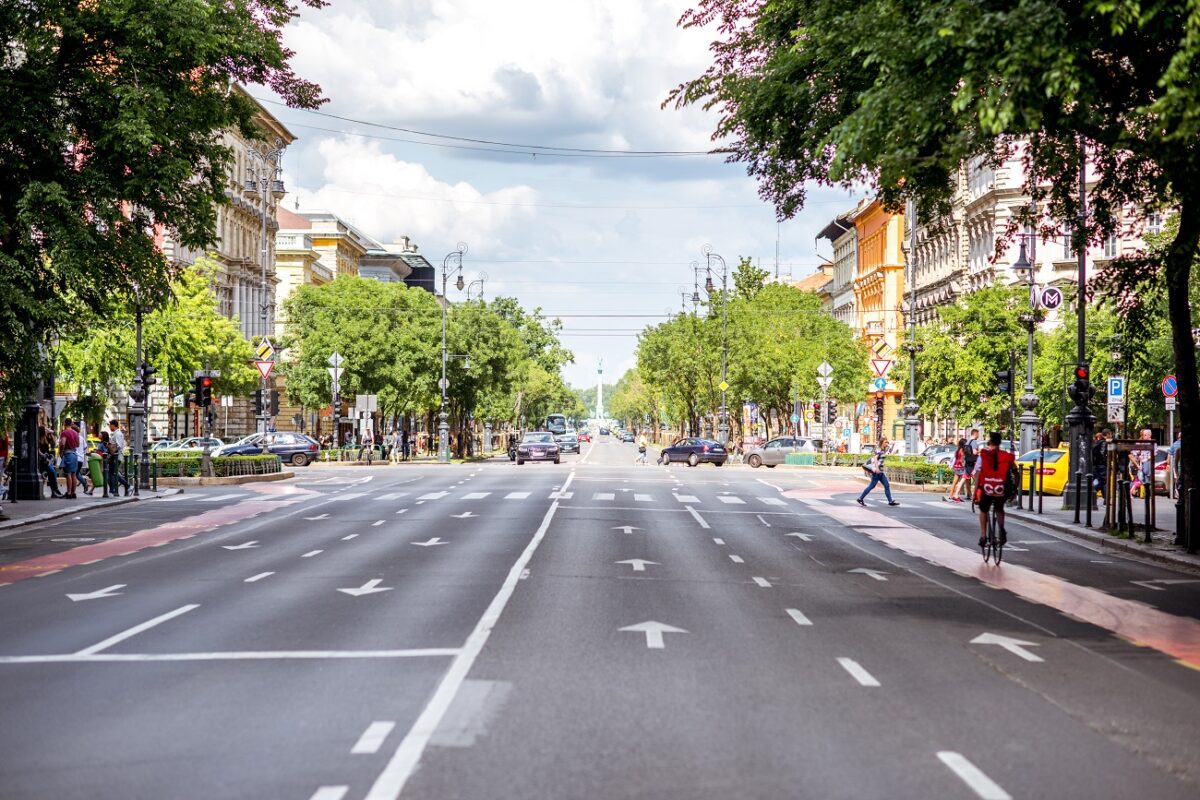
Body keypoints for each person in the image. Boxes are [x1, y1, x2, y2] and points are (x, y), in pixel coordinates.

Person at [972, 431, 1017, 546]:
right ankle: (1001, 529)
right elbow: (1016, 473)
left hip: (987, 488)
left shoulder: (984, 455)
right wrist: (1015, 489)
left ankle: (983, 535)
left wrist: (975, 492)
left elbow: (977, 474)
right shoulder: (1007, 456)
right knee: (999, 508)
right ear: (1000, 443)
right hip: (1001, 488)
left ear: (989, 442)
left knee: (983, 510)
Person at [856, 438, 900, 507]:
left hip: (880, 472)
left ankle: (890, 501)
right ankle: (860, 498)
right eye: (885, 442)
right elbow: (875, 459)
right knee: (872, 486)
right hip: (877, 472)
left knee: (886, 485)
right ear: (882, 443)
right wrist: (876, 468)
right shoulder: (879, 450)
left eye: (887, 442)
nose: (886, 443)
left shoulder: (883, 450)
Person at [103, 429, 129, 497]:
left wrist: (111, 451)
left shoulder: (117, 434)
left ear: (113, 425)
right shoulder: (115, 433)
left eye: (110, 425)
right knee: (112, 473)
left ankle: (114, 490)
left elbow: (118, 446)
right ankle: (115, 490)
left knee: (112, 473)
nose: (109, 426)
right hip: (115, 457)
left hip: (116, 457)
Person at [58, 418, 80, 498]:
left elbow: (63, 443)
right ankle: (74, 492)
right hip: (74, 454)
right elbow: (78, 444)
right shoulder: (75, 433)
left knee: (68, 474)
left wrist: (61, 451)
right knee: (74, 474)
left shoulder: (64, 433)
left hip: (68, 454)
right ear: (71, 423)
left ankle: (69, 492)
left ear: (64, 423)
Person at [945, 438, 968, 503]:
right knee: (960, 482)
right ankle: (956, 495)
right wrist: (964, 464)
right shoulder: (962, 450)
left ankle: (951, 495)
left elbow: (955, 458)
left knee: (954, 482)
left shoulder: (957, 450)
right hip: (961, 467)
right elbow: (962, 460)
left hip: (956, 467)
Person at [1092, 428, 1111, 501]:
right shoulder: (1103, 443)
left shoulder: (1098, 442)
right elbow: (1102, 454)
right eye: (1110, 434)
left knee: (1101, 481)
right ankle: (1092, 492)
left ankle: (1106, 499)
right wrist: (1105, 461)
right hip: (1101, 465)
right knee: (1104, 481)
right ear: (1108, 434)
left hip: (1096, 464)